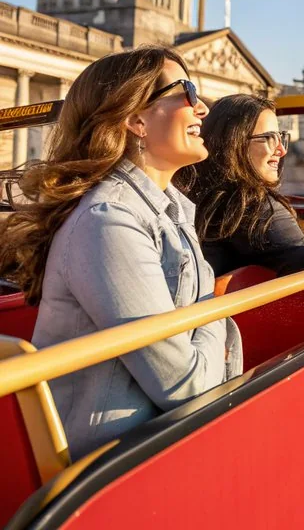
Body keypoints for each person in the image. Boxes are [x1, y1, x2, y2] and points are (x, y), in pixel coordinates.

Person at [0, 47, 242, 459]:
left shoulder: (170, 207)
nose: (202, 107)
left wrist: (212, 321)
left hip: (152, 442)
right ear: (135, 120)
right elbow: (186, 385)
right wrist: (218, 317)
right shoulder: (107, 220)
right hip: (110, 462)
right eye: (186, 91)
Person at [185, 93, 304, 280]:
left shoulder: (188, 194)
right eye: (268, 138)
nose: (282, 150)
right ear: (234, 143)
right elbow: (297, 252)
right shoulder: (251, 203)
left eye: (281, 137)